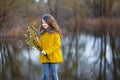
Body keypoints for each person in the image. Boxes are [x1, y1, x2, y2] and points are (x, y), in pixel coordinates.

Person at [39, 14, 63, 80]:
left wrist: (47, 52)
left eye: (45, 23)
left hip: (54, 57)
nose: (43, 24)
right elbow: (40, 46)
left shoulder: (55, 33)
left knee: (54, 74)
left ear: (50, 22)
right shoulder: (42, 33)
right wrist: (36, 42)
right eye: (42, 23)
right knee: (45, 75)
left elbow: (57, 45)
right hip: (44, 57)